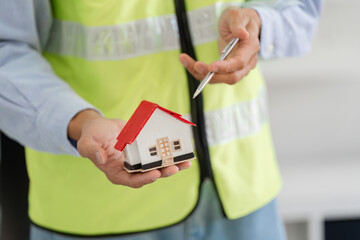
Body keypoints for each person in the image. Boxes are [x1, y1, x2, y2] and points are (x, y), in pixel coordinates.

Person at [0, 0, 323, 239]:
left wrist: (260, 23)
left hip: (245, 201)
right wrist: (80, 121)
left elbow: (298, 6)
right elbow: (6, 48)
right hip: (102, 216)